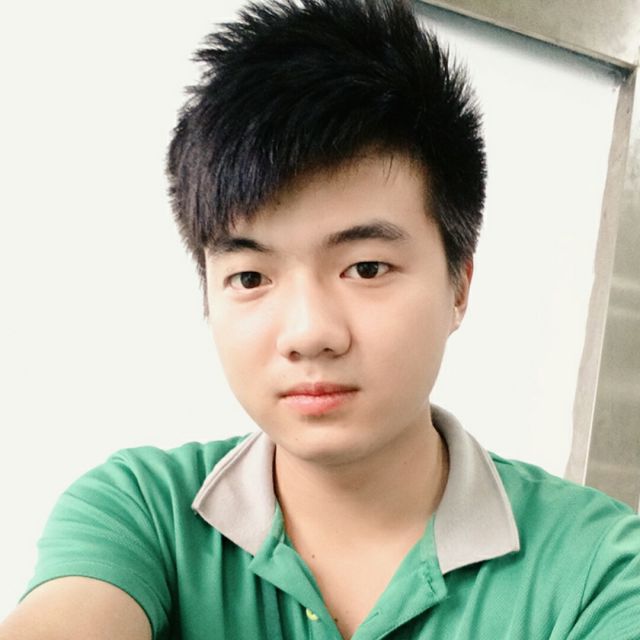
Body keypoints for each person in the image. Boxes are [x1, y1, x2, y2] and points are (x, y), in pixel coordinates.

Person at [1, 0, 639, 638]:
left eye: (366, 268)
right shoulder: (144, 515)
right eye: (250, 278)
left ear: (459, 286)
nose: (309, 334)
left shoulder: (600, 570)